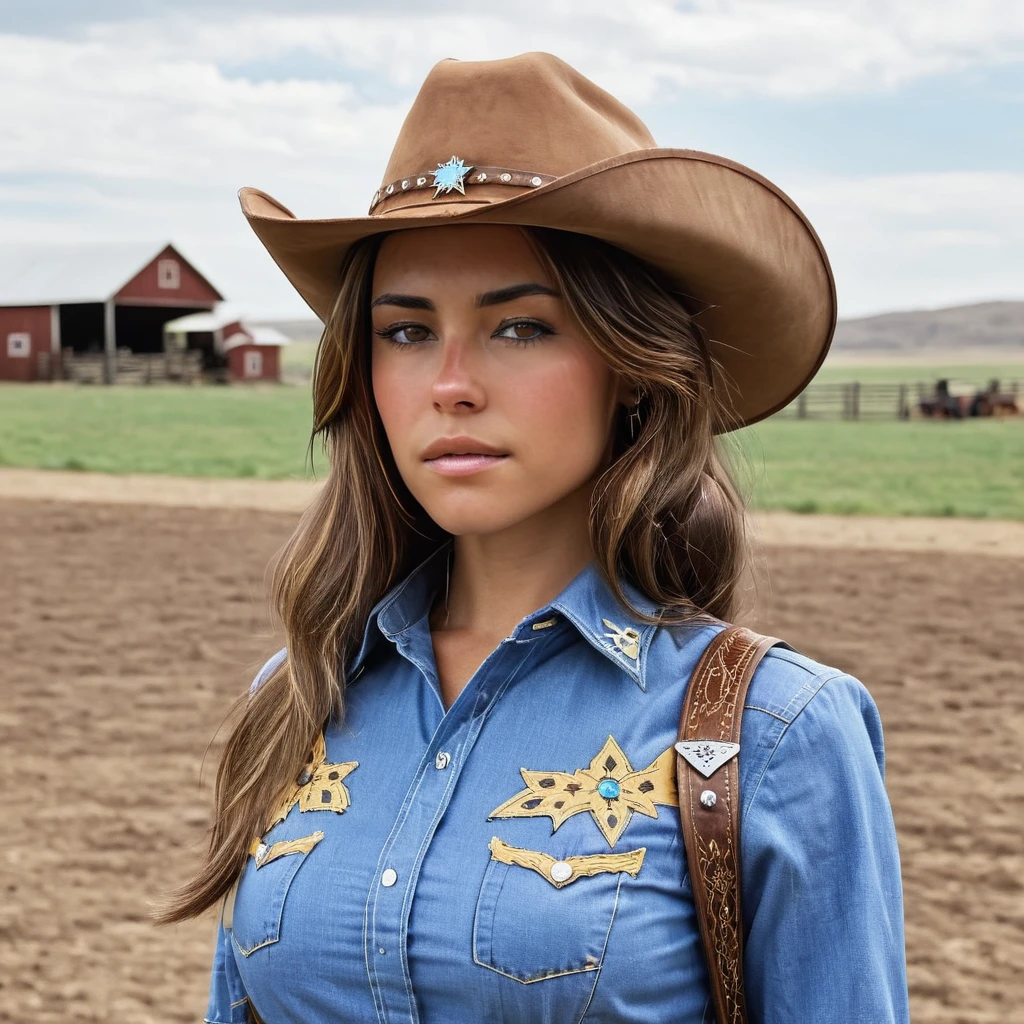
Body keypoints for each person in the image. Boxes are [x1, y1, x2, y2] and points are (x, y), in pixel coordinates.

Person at [158, 52, 910, 1024]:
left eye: (519, 328)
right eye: (404, 331)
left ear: (633, 367)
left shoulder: (770, 734)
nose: (450, 383)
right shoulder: (298, 690)